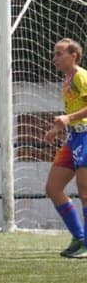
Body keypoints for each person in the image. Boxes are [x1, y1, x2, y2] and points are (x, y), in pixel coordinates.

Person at [44, 37, 87, 258]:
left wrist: (68, 118)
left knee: (84, 192)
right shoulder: (67, 79)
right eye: (54, 54)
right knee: (53, 188)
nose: (55, 59)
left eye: (59, 54)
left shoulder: (80, 76)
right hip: (73, 139)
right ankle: (80, 237)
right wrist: (55, 130)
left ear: (74, 55)